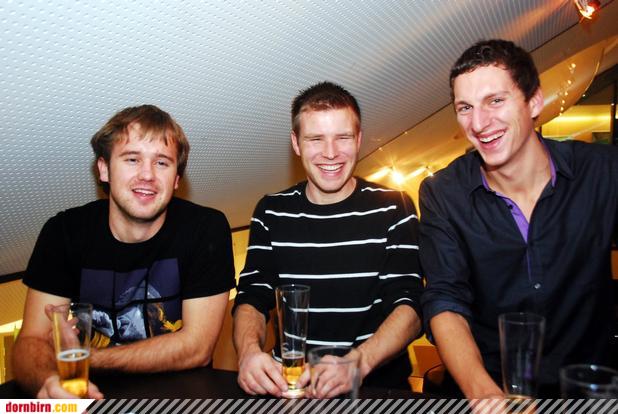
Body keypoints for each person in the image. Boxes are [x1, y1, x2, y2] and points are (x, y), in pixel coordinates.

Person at [420, 39, 617, 398]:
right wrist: (485, 395)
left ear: (535, 101)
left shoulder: (603, 171)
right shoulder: (444, 193)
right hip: (488, 387)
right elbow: (445, 300)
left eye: (495, 101)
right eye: (465, 108)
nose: (479, 123)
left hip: (586, 392)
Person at [12, 105, 236, 398]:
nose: (147, 175)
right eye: (132, 159)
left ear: (176, 179)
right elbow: (31, 341)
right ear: (104, 169)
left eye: (162, 163)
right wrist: (48, 383)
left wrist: (84, 358)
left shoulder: (205, 229)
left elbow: (197, 347)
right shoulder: (64, 232)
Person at [233, 81, 423, 398]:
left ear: (358, 139)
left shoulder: (396, 207)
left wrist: (358, 362)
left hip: (375, 391)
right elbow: (252, 296)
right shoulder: (270, 211)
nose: (331, 153)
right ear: (296, 143)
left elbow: (411, 306)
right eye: (315, 139)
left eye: (343, 137)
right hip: (291, 389)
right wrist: (248, 352)